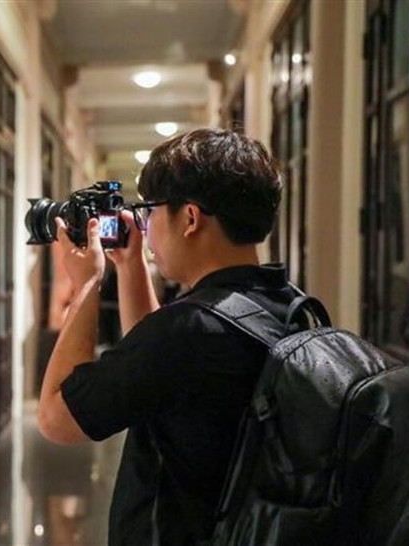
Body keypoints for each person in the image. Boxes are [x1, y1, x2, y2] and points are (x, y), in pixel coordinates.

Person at [38, 128, 292, 545]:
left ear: (189, 218)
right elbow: (155, 370)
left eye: (151, 211)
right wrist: (131, 264)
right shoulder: (289, 307)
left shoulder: (189, 332)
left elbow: (56, 418)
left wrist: (86, 283)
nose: (146, 226)